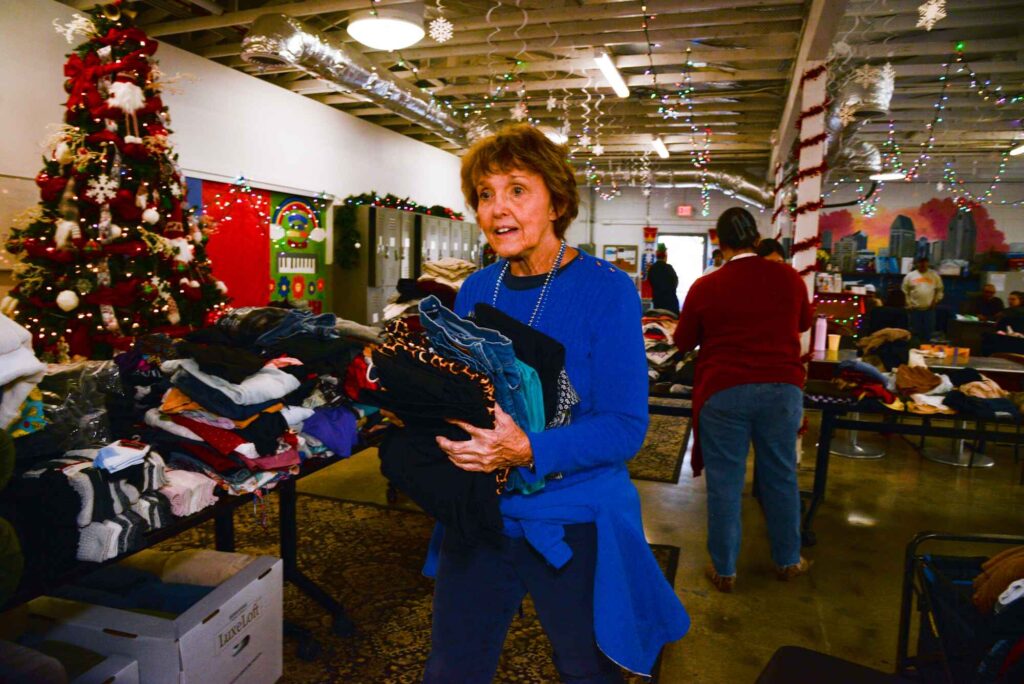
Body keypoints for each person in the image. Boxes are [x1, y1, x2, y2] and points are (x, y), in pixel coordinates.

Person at [423, 123, 688, 682]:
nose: (497, 208)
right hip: (485, 509)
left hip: (573, 513)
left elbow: (624, 426)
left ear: (557, 203)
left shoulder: (607, 289)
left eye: (517, 190)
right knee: (452, 666)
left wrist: (526, 449)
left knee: (588, 670)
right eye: (485, 194)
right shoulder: (476, 289)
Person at [673, 207, 812, 593]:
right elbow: (803, 322)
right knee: (781, 476)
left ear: (719, 242)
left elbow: (683, 341)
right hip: (782, 389)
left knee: (725, 483)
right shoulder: (789, 278)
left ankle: (725, 569)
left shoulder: (707, 285)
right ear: (756, 238)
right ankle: (788, 559)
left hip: (725, 390)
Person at [902, 256, 943, 342]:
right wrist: (908, 303)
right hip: (914, 310)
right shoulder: (910, 276)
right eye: (920, 262)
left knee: (928, 332)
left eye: (925, 262)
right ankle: (914, 347)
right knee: (914, 332)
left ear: (928, 263)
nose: (923, 264)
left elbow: (939, 290)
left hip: (929, 310)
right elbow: (905, 291)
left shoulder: (934, 275)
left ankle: (926, 347)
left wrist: (935, 301)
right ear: (917, 264)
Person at [646, 243, 680, 313]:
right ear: (665, 256)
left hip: (658, 304)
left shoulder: (652, 269)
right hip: (671, 305)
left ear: (656, 256)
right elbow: (675, 283)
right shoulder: (669, 268)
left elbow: (651, 283)